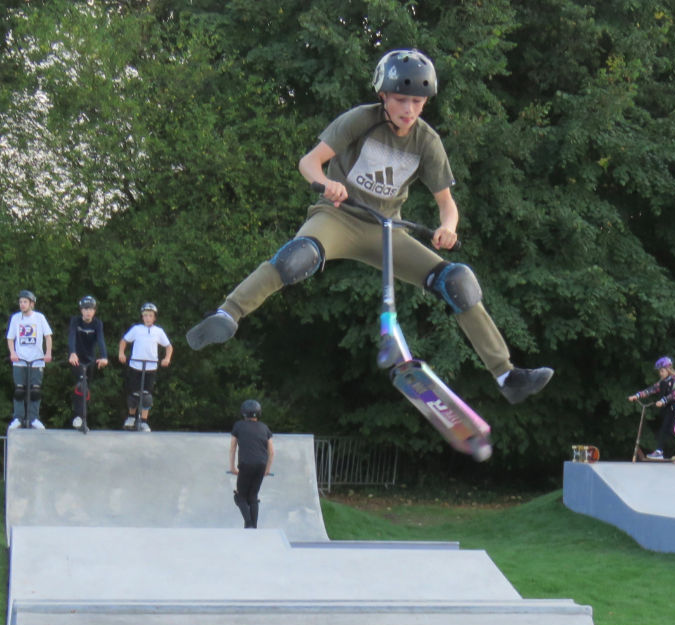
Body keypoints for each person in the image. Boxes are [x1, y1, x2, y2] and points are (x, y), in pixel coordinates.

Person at [186, 49, 553, 405]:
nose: (409, 110)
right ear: (383, 96)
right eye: (400, 100)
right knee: (298, 257)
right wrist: (325, 183)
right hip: (338, 217)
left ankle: (506, 375)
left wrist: (448, 228)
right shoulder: (360, 120)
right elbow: (308, 162)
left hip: (387, 230)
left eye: (418, 102)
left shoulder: (427, 141)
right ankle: (227, 314)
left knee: (457, 280)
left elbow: (447, 204)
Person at [118, 303, 173, 432]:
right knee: (133, 394)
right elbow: (124, 341)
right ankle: (131, 417)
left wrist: (167, 358)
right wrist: (121, 353)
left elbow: (168, 346)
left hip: (150, 366)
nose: (148, 318)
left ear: (154, 318)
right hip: (135, 365)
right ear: (142, 317)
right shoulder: (136, 329)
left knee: (147, 396)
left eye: (150, 316)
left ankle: (143, 421)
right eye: (145, 316)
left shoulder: (158, 331)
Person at [628, 356, 675, 463]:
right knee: (663, 428)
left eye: (662, 371)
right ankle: (659, 451)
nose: (660, 373)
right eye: (659, 372)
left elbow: (674, 394)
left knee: (674, 429)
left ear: (668, 369)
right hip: (671, 408)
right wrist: (637, 395)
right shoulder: (663, 381)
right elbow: (652, 389)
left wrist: (663, 401)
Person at [6, 289, 53, 430]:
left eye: (25, 302)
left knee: (35, 391)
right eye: (20, 302)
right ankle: (18, 418)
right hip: (20, 359)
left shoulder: (39, 318)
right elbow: (10, 338)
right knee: (19, 390)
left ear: (32, 303)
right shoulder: (15, 318)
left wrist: (48, 352)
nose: (22, 304)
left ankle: (34, 418)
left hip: (36, 359)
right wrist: (12, 352)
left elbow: (48, 336)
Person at [229, 398, 274, 528]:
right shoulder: (265, 428)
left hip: (245, 464)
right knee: (253, 496)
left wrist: (232, 467)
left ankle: (248, 524)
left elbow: (232, 447)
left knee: (240, 497)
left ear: (243, 413)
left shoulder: (238, 425)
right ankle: (254, 527)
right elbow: (271, 451)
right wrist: (267, 468)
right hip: (261, 464)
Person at [68, 295, 109, 429]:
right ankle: (78, 417)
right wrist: (72, 352)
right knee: (81, 385)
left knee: (86, 389)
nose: (87, 312)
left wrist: (104, 356)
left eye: (90, 309)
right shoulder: (76, 321)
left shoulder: (97, 323)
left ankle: (82, 417)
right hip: (76, 359)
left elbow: (101, 340)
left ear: (94, 311)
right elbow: (72, 336)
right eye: (85, 309)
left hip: (90, 360)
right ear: (81, 310)